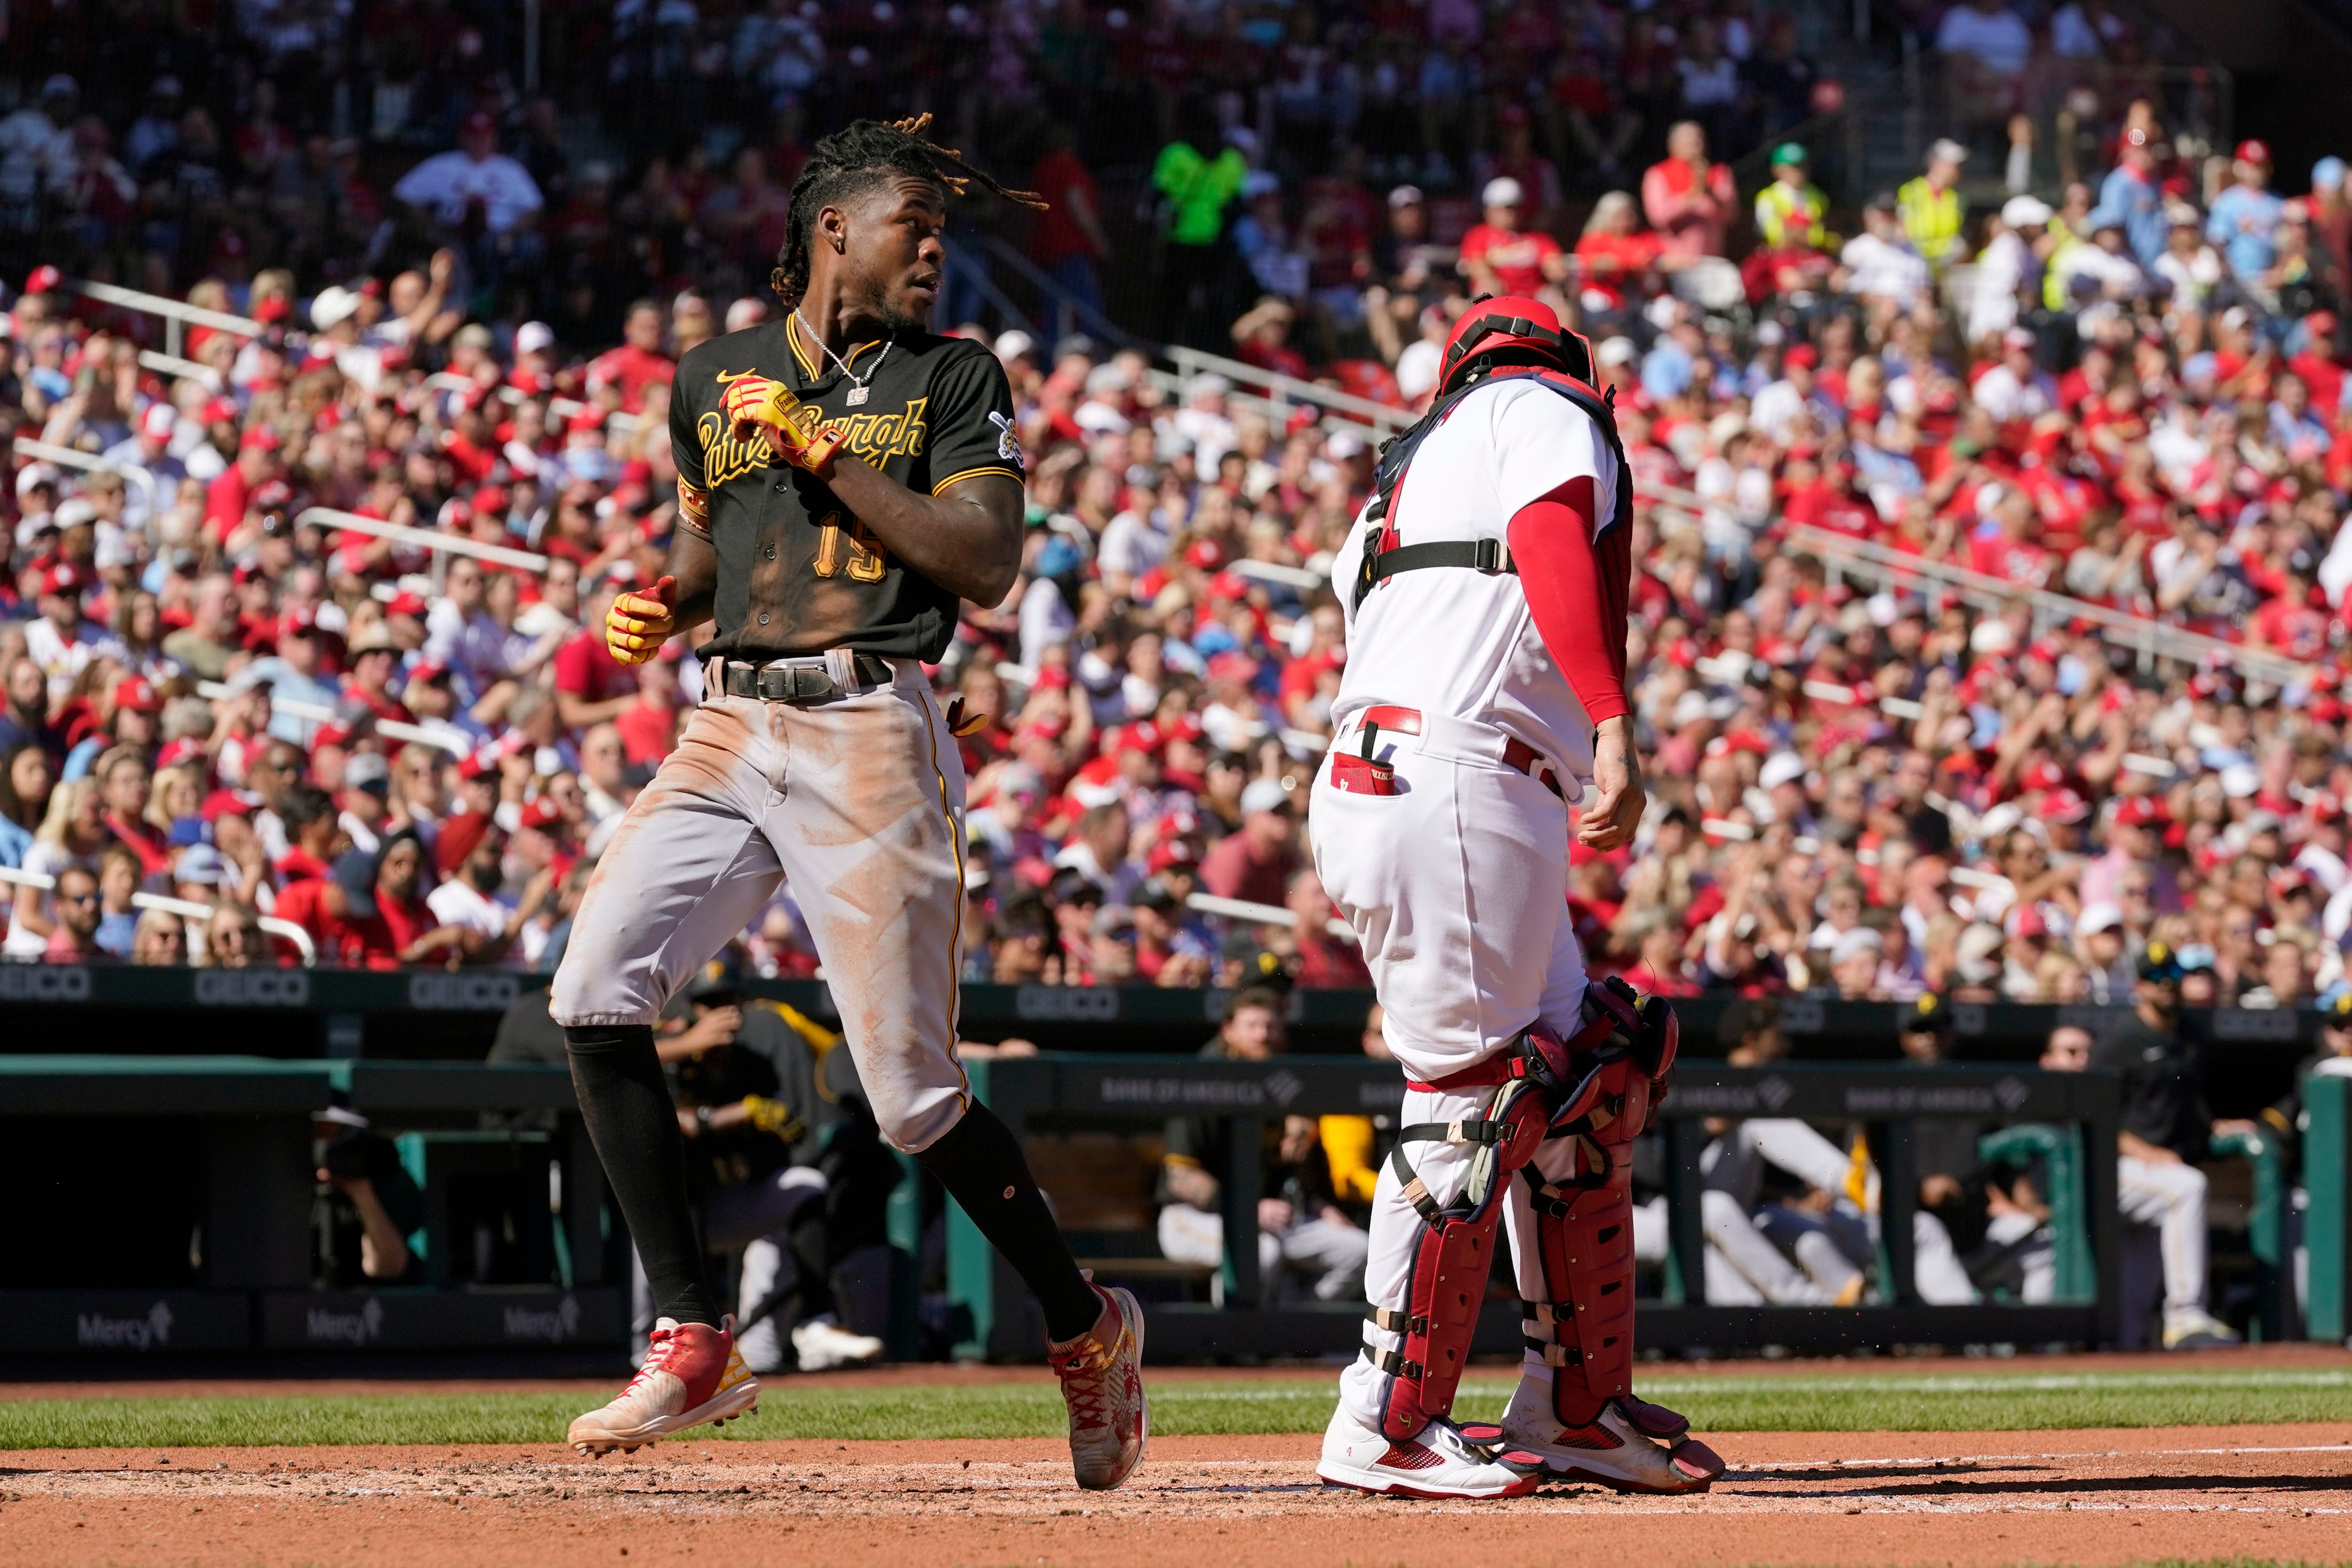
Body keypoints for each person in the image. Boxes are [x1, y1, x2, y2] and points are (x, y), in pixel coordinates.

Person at [556, 116, 1145, 1488]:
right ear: (833, 229)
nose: (935, 249)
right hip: (728, 715)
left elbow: (983, 559)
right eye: (912, 226)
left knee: (910, 1098)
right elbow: (721, 538)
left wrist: (823, 447)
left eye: (941, 232)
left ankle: (1085, 1325)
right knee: (592, 988)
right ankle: (693, 1335)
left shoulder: (952, 375)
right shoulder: (714, 375)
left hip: (875, 721)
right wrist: (665, 597)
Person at [1308, 295, 1720, 1498]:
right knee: (1474, 1100)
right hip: (1458, 778)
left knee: (1595, 1069)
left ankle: (1574, 1406)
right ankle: (1383, 1418)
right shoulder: (1537, 408)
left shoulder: (1397, 484)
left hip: (1420, 777)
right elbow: (1548, 543)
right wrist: (1611, 723)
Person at [1155, 987, 1370, 1301]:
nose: (1263, 1035)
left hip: (1265, 1217)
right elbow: (1181, 1179)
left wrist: (1316, 1205)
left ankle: (1295, 1335)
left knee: (1357, 1251)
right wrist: (1247, 1209)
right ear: (1229, 1031)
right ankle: (1232, 1347)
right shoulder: (1203, 1081)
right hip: (1191, 1216)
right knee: (1259, 1254)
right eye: (1252, 1026)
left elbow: (1289, 1176)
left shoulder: (1282, 1084)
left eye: (1271, 1027)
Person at [2086, 941, 2246, 1348]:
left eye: (2173, 976)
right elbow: (2095, 1118)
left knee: (2132, 1305)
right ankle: (2187, 1313)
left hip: (2158, 1174)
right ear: (2140, 986)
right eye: (2157, 979)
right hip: (2117, 1166)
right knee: (2186, 1188)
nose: (2167, 986)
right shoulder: (2120, 1040)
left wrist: (2215, 1127)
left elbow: (2187, 1105)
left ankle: (2130, 1358)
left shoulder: (2191, 1034)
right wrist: (2143, 1152)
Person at [1898, 140, 1970, 270]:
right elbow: (1901, 231)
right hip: (1915, 262)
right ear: (1935, 163)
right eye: (1951, 165)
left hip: (1944, 264)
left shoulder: (1955, 198)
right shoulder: (1911, 192)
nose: (1956, 170)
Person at [1752, 143, 1828, 253]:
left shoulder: (1818, 196)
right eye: (1793, 167)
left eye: (1802, 166)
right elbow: (1769, 233)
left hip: (1810, 253)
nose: (1799, 172)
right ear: (1777, 170)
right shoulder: (1768, 197)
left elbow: (1819, 231)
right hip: (1779, 256)